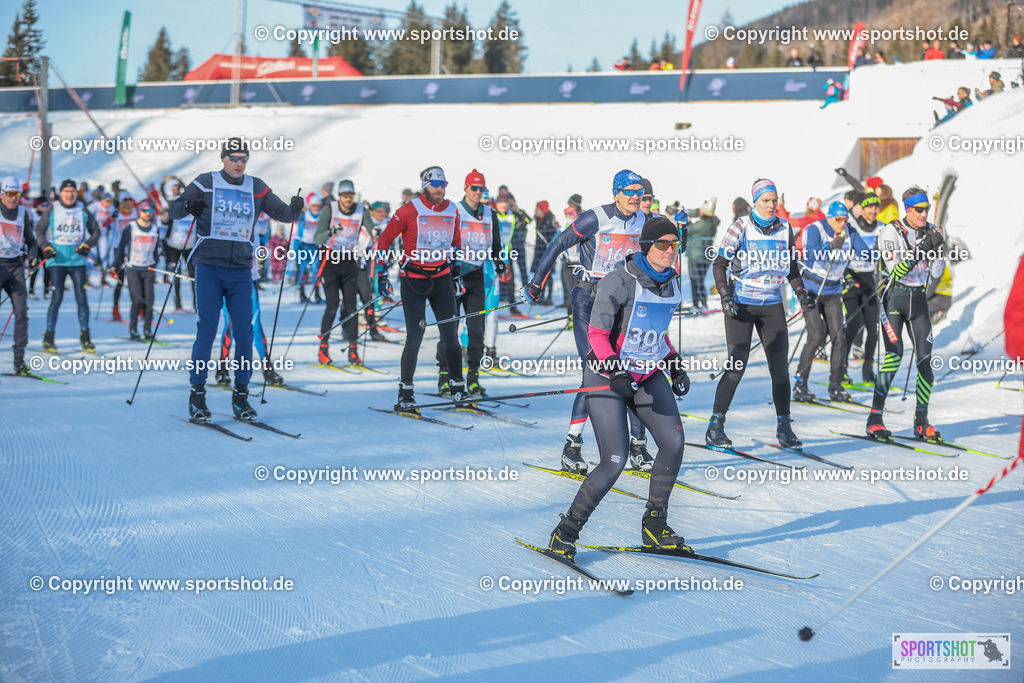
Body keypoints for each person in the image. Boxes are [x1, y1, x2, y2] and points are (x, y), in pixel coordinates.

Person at [546, 215, 690, 560]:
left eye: (675, 244)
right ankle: (565, 531)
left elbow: (657, 333)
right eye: (662, 244)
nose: (669, 251)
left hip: (645, 372)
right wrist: (614, 368)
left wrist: (672, 362)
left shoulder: (672, 284)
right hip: (607, 373)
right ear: (645, 247)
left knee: (673, 442)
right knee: (615, 459)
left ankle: (655, 526)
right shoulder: (618, 281)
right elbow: (596, 335)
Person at [522, 169, 652, 474]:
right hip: (589, 302)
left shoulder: (645, 221)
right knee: (596, 369)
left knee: (631, 366)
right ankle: (573, 445)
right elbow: (557, 244)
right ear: (616, 193)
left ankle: (638, 444)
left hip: (622, 303)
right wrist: (536, 282)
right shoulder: (594, 218)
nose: (636, 197)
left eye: (640, 192)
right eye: (631, 192)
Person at [170, 137, 302, 423]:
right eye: (234, 158)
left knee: (244, 332)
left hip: (241, 270)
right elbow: (175, 210)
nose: (239, 163)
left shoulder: (256, 186)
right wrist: (190, 205)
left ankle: (240, 395)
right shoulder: (206, 182)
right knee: (207, 328)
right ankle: (197, 395)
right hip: (208, 267)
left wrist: (295, 208)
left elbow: (283, 214)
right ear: (223, 159)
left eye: (244, 158)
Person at [706, 178, 815, 449]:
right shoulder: (741, 226)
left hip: (772, 305)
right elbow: (720, 264)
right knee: (737, 366)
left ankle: (784, 426)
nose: (770, 205)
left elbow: (790, 268)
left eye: (774, 200)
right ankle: (715, 424)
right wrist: (725, 296)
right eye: (765, 200)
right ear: (755, 201)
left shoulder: (784, 228)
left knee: (780, 369)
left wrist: (802, 295)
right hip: (741, 304)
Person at [375, 166, 466, 412]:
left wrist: (456, 269)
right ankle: (406, 390)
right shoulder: (409, 209)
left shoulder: (452, 209)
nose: (440, 188)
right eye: (435, 184)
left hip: (442, 278)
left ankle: (458, 386)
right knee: (415, 336)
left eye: (443, 184)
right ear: (425, 184)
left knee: (451, 335)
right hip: (413, 279)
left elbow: (456, 242)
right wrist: (381, 273)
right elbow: (384, 239)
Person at [866, 187, 945, 440]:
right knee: (894, 355)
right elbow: (895, 270)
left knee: (926, 363)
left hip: (919, 301)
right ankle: (874, 418)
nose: (924, 214)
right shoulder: (891, 231)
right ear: (907, 209)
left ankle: (921, 421)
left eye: (927, 209)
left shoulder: (931, 231)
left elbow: (935, 274)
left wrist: (938, 250)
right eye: (919, 210)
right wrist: (921, 250)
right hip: (894, 301)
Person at [436, 169, 506, 397]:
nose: (477, 192)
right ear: (466, 189)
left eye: (481, 189)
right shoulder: (454, 211)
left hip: (476, 275)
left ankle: (473, 377)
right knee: (450, 328)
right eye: (473, 188)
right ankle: (445, 376)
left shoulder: (490, 214)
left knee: (477, 330)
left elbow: (496, 245)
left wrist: (501, 262)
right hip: (453, 275)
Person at [792, 201, 870, 402]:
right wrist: (830, 246)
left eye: (845, 220)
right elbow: (809, 255)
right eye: (838, 220)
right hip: (811, 290)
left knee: (839, 337)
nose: (842, 224)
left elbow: (865, 252)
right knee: (816, 335)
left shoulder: (849, 232)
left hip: (834, 290)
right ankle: (800, 385)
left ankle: (836, 385)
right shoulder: (815, 229)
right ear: (829, 218)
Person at [314, 179, 379, 366]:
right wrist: (330, 231)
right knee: (332, 305)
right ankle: (323, 347)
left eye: (350, 196)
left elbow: (369, 226)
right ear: (340, 196)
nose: (347, 199)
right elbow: (317, 237)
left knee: (351, 307)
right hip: (330, 260)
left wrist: (375, 231)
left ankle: (353, 350)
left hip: (349, 260)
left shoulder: (360, 210)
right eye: (344, 196)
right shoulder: (330, 209)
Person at [36, 179, 100, 353]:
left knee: (82, 299)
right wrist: (45, 247)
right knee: (57, 299)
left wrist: (88, 245)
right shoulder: (53, 208)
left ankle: (85, 338)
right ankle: (49, 338)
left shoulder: (82, 209)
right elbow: (39, 230)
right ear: (61, 193)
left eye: (72, 191)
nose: (70, 194)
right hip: (58, 261)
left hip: (78, 261)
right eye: (67, 191)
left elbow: (96, 231)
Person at [215, 247, 286, 387]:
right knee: (230, 325)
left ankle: (268, 369)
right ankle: (222, 369)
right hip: (227, 280)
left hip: (249, 281)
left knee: (256, 325)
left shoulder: (256, 231)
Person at [843, 193, 884, 384]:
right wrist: (845, 276)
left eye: (876, 207)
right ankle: (841, 369)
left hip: (870, 281)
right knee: (851, 326)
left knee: (873, 329)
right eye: (870, 207)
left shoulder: (883, 228)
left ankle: (868, 371)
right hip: (852, 279)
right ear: (863, 208)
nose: (873, 211)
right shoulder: (851, 227)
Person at [0, 176, 37, 374]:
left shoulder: (24, 213)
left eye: (17, 194)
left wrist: (32, 258)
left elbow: (31, 241)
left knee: (22, 312)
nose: (14, 198)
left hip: (15, 266)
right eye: (10, 194)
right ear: (2, 194)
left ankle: (19, 359)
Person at [112, 199, 161, 340]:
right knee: (137, 300)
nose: (148, 213)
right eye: (144, 210)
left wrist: (155, 264)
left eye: (150, 211)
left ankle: (148, 330)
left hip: (149, 268)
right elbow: (121, 248)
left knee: (149, 301)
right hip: (133, 268)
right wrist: (115, 265)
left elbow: (157, 250)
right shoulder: (131, 227)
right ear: (139, 212)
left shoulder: (155, 229)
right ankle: (133, 329)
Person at [161, 180, 197, 311]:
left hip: (189, 248)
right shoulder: (174, 214)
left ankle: (196, 305)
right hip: (174, 248)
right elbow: (164, 225)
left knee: (193, 276)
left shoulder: (194, 214)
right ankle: (178, 304)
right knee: (177, 275)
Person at [108, 193, 138, 320]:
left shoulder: (136, 213)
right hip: (119, 248)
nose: (128, 202)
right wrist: (111, 219)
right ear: (121, 202)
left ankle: (139, 310)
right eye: (125, 200)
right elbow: (103, 225)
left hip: (134, 249)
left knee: (135, 282)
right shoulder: (116, 214)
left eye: (130, 199)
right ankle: (115, 308)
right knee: (120, 281)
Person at [686, 197, 719, 310]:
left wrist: (688, 221)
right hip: (706, 256)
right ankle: (703, 303)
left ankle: (697, 304)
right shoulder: (713, 224)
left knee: (695, 281)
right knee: (700, 280)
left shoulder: (701, 224)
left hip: (695, 256)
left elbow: (689, 230)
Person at [292, 193, 322, 303]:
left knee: (316, 271)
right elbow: (294, 220)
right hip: (302, 244)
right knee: (303, 270)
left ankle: (317, 294)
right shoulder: (304, 215)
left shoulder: (321, 216)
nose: (317, 208)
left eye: (319, 206)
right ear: (310, 206)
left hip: (314, 245)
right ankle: (302, 294)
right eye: (314, 206)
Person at [531, 201, 558, 304]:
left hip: (548, 250)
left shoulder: (550, 219)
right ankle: (539, 296)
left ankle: (549, 297)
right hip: (539, 250)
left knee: (548, 274)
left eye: (537, 209)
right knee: (539, 274)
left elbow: (553, 235)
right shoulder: (539, 220)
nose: (535, 211)